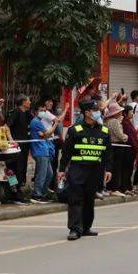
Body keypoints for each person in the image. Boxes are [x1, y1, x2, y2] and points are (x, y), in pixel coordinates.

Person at [57, 99, 112, 240]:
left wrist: (108, 169)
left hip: (95, 170)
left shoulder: (104, 131)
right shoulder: (75, 130)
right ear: (87, 113)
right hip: (78, 169)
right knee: (75, 198)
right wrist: (62, 170)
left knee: (89, 199)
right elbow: (66, 152)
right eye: (95, 110)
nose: (98, 113)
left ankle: (86, 227)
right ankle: (75, 229)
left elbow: (108, 153)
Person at [28, 104, 58, 202]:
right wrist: (55, 124)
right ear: (35, 112)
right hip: (39, 151)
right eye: (41, 110)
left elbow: (45, 135)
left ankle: (43, 193)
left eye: (45, 111)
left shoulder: (39, 122)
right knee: (42, 174)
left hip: (44, 150)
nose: (43, 113)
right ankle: (36, 194)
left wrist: (45, 134)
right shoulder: (36, 122)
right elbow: (47, 134)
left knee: (49, 174)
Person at [7, 96, 33, 204]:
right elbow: (7, 126)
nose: (30, 102)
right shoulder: (15, 112)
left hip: (24, 146)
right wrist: (12, 140)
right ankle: (13, 191)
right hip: (16, 147)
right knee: (13, 169)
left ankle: (18, 190)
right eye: (28, 100)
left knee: (21, 169)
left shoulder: (27, 113)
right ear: (23, 102)